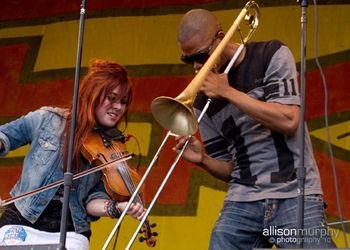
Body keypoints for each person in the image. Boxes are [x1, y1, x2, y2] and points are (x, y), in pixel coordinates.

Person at [174, 9, 336, 249]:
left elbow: (290, 121)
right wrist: (203, 160)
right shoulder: (201, 101)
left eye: (201, 56)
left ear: (220, 38)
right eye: (189, 60)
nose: (197, 66)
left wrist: (228, 92)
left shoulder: (270, 54)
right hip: (243, 197)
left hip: (293, 191)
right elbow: (229, 169)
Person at [0, 59, 145, 249]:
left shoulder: (112, 149)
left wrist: (116, 207)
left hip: (70, 231)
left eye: (123, 102)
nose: (118, 107)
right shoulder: (47, 119)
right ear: (91, 95)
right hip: (22, 219)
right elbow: (6, 136)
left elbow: (92, 201)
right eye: (111, 98)